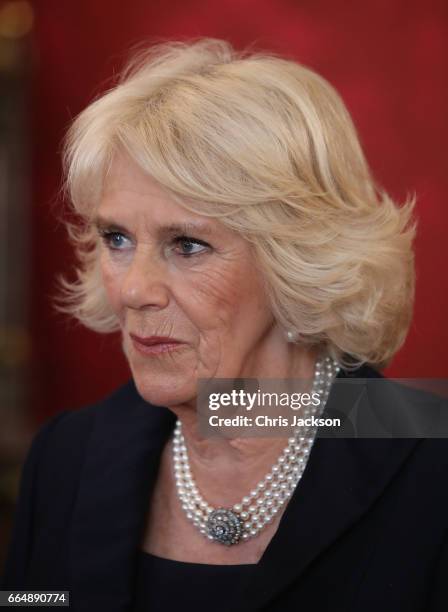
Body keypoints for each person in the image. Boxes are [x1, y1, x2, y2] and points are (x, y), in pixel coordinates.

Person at [2, 38, 448, 612]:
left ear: (297, 260)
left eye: (187, 244)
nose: (134, 290)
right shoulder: (66, 456)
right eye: (117, 238)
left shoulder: (430, 462)